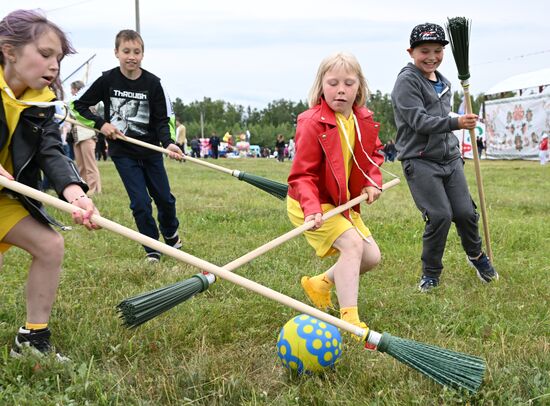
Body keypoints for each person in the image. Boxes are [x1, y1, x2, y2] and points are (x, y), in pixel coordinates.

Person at [0, 9, 100, 359]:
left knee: (50, 246)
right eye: (45, 54)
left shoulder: (41, 102)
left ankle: (32, 340)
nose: (54, 65)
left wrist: (76, 194)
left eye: (57, 57)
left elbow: (51, 152)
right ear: (9, 50)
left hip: (5, 198)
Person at [391, 22, 499, 292]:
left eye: (438, 50)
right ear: (411, 51)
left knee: (465, 213)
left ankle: (476, 256)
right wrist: (456, 122)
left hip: (449, 158)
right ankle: (431, 273)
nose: (431, 57)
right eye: (424, 50)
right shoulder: (407, 81)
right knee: (439, 216)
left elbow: (442, 118)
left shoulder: (446, 83)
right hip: (420, 159)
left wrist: (462, 122)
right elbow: (419, 121)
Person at [287, 52, 384, 340]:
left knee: (371, 257)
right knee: (353, 245)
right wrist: (312, 208)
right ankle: (350, 320)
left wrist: (372, 181)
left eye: (348, 83)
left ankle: (321, 283)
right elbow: (302, 175)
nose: (340, 89)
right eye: (332, 83)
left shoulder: (363, 119)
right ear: (321, 87)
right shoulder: (311, 122)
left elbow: (372, 157)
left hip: (342, 202)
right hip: (310, 202)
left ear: (359, 88)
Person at [72, 29, 182, 263]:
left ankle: (171, 234)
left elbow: (164, 119)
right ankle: (152, 248)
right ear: (116, 52)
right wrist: (101, 124)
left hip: (151, 152)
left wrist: (169, 143)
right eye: (126, 51)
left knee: (165, 199)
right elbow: (77, 106)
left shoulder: (154, 84)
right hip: (124, 154)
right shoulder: (107, 80)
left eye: (137, 52)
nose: (131, 56)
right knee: (140, 203)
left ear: (143, 54)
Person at [69, 80, 102, 195]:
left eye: (72, 89)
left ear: (77, 89)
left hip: (87, 135)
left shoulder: (87, 102)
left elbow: (92, 116)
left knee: (90, 165)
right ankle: (85, 188)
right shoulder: (71, 103)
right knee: (81, 166)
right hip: (76, 137)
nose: (71, 91)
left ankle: (95, 189)